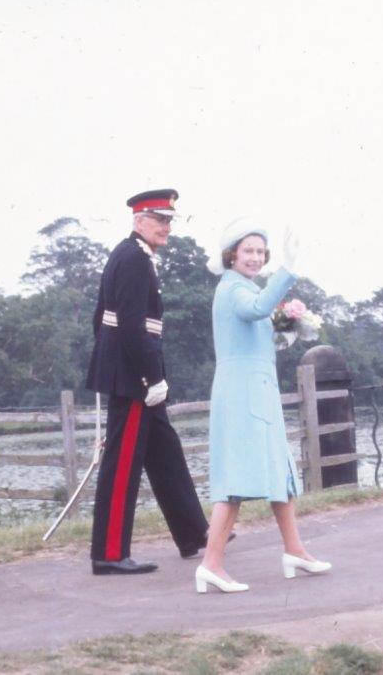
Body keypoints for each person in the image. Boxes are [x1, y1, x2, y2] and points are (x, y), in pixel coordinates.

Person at [194, 217, 332, 593]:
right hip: (242, 395)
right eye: (248, 251)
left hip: (257, 391)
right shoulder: (232, 289)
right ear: (231, 255)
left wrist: (288, 328)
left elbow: (257, 325)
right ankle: (211, 564)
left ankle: (295, 550)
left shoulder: (245, 287)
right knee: (236, 480)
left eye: (260, 252)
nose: (255, 258)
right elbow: (255, 309)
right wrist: (287, 271)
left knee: (279, 473)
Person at [85, 188, 210, 575]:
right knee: (123, 463)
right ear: (139, 221)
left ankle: (194, 535)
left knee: (165, 451)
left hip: (129, 370)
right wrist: (150, 377)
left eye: (170, 220)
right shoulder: (134, 259)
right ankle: (108, 553)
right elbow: (132, 325)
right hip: (134, 375)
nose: (167, 227)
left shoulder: (135, 256)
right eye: (160, 220)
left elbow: (101, 321)